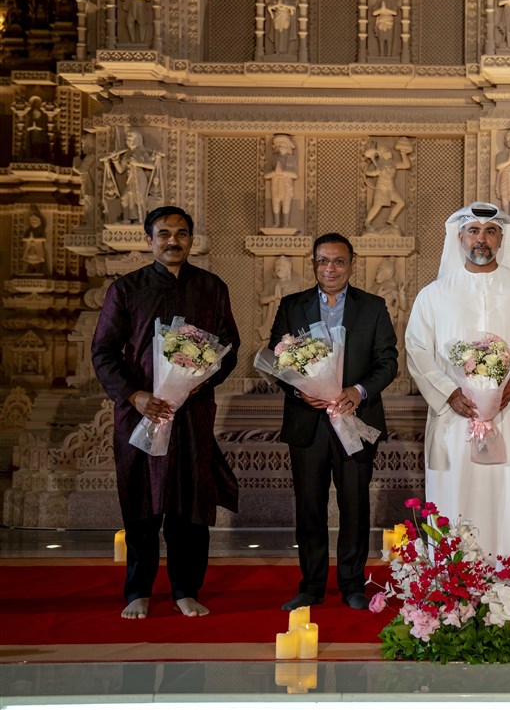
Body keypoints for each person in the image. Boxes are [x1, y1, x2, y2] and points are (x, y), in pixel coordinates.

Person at [91, 205, 241, 619]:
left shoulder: (211, 287)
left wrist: (199, 381)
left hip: (192, 413)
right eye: (164, 234)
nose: (173, 241)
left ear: (191, 239)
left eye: (181, 233)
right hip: (141, 412)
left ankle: (185, 590)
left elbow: (228, 347)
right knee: (140, 501)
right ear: (149, 240)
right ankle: (138, 590)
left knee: (190, 503)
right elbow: (103, 352)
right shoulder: (126, 289)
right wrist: (134, 395)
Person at [405, 202, 510, 556]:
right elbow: (418, 350)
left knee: (507, 496)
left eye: (490, 232)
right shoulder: (434, 295)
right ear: (460, 238)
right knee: (455, 494)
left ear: (502, 239)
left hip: (509, 414)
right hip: (454, 417)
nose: (481, 239)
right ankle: (453, 578)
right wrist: (449, 393)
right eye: (473, 231)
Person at [272, 233, 398, 611]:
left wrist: (358, 391)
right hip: (307, 423)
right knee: (309, 507)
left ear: (352, 265)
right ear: (313, 264)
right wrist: (300, 391)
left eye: (339, 261)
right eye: (323, 261)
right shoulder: (291, 305)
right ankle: (311, 585)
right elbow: (277, 359)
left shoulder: (373, 307)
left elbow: (388, 362)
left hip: (354, 419)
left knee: (355, 505)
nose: (331, 268)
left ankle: (352, 584)